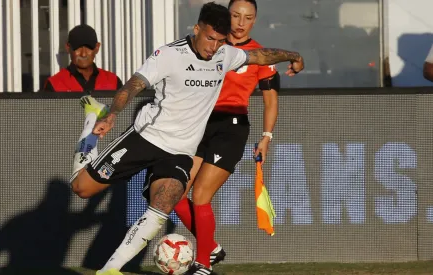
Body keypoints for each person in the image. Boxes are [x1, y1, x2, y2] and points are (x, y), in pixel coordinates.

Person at [70, 2, 304, 275]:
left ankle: (111, 270)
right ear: (196, 29)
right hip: (147, 137)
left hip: (180, 150)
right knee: (81, 189)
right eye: (208, 38)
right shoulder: (168, 55)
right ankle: (90, 119)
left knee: (163, 204)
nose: (213, 47)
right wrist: (110, 115)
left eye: (219, 41)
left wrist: (293, 55)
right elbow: (133, 85)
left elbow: (261, 56)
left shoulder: (225, 55)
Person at [173, 0, 282, 273]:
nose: (241, 23)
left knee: (200, 195)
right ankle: (211, 247)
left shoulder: (260, 55)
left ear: (254, 20)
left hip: (231, 128)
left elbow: (271, 100)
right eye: (235, 15)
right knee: (173, 193)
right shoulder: (211, 46)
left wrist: (266, 136)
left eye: (248, 17)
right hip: (198, 124)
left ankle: (203, 265)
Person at [43, 24, 123, 92]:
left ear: (97, 48)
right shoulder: (54, 84)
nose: (83, 54)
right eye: (78, 47)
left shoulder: (114, 82)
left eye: (89, 47)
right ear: (68, 48)